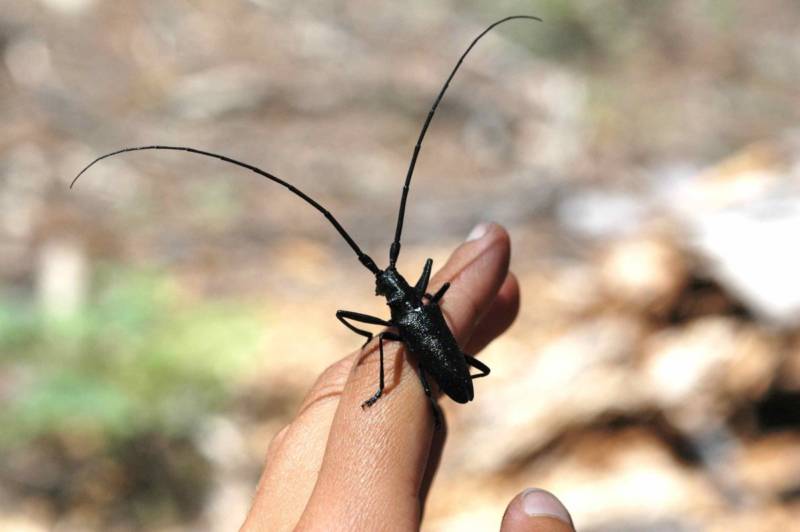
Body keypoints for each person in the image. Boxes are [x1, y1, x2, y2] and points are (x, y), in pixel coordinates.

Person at [241, 223, 575, 531]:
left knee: (383, 343)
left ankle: (391, 386)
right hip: (449, 359)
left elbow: (362, 324)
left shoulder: (399, 326)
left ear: (388, 292)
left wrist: (372, 354)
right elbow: (437, 286)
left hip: (441, 363)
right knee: (428, 365)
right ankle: (412, 388)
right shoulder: (426, 307)